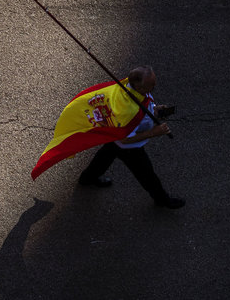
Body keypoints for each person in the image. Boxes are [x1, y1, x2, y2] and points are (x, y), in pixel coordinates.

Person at [78, 66, 185, 209]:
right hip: (129, 148)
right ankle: (162, 200)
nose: (154, 86)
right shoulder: (127, 111)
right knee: (147, 174)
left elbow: (145, 106)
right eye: (151, 85)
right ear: (139, 87)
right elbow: (124, 139)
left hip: (115, 141)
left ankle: (87, 178)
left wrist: (155, 110)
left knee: (105, 156)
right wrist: (154, 132)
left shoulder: (133, 90)